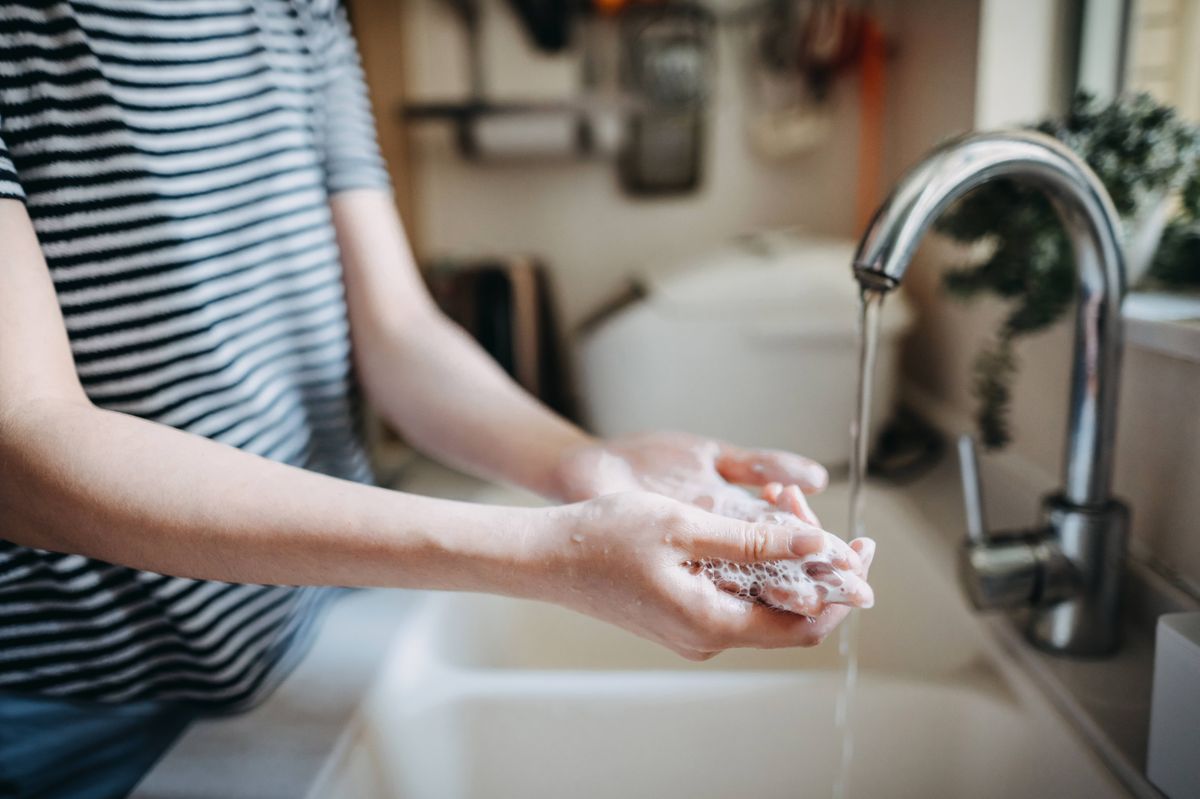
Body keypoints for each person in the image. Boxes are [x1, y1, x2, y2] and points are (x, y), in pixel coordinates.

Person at [0, 2, 875, 796]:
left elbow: (400, 332)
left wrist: (580, 458)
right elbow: (24, 447)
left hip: (308, 631)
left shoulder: (295, 12)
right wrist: (550, 549)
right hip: (70, 704)